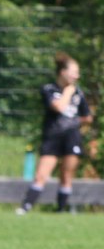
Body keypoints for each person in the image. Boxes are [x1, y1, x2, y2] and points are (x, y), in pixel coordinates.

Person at [19, 53, 91, 214]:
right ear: (62, 72)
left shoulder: (79, 93)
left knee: (66, 174)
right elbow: (58, 107)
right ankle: (25, 207)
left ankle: (60, 210)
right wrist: (68, 92)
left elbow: (87, 117)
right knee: (41, 174)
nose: (76, 76)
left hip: (72, 137)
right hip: (52, 136)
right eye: (74, 72)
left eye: (78, 72)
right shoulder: (49, 89)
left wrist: (76, 122)